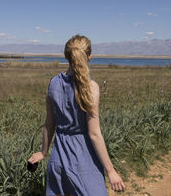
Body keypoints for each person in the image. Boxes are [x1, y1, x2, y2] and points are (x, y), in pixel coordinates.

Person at [28, 35, 125, 196]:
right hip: (83, 160)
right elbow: (94, 134)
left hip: (58, 158)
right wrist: (111, 170)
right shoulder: (90, 87)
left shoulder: (53, 83)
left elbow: (49, 124)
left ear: (67, 56)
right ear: (89, 57)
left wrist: (43, 152)